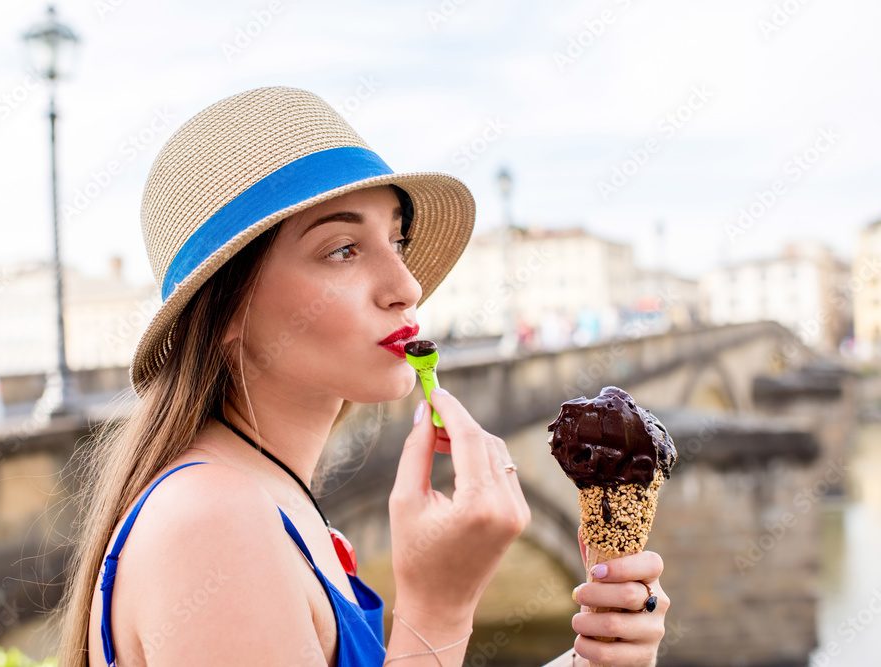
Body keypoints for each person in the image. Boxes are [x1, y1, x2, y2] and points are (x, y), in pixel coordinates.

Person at [53, 86, 669, 666]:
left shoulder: (268, 499)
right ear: (224, 311)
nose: (407, 286)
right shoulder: (212, 524)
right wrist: (438, 607)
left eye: (397, 242)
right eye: (343, 249)